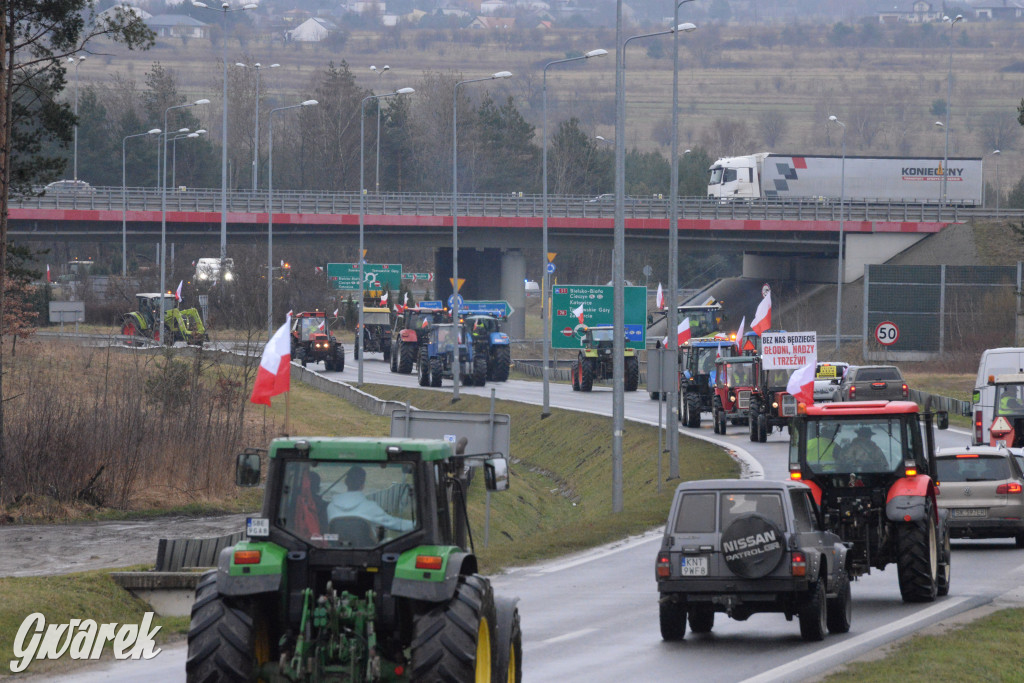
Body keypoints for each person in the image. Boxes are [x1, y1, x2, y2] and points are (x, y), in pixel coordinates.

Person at [327, 466, 415, 532]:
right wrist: (417, 524)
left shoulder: (331, 507)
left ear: (346, 483)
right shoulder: (370, 507)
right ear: (363, 484)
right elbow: (395, 524)